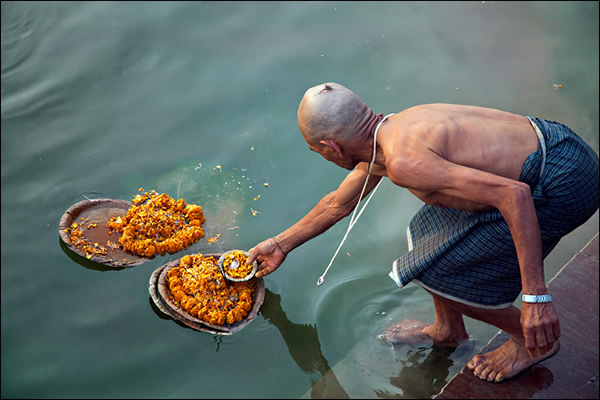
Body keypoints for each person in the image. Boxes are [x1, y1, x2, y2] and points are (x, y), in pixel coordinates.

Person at [247, 82, 599, 382]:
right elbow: (337, 204)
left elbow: (514, 195)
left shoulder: (404, 162)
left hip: (564, 183)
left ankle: (530, 339)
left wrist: (536, 298)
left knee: (433, 268)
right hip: (558, 143)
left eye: (317, 152)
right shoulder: (393, 130)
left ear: (331, 147)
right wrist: (280, 245)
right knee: (426, 232)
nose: (322, 157)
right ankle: (448, 329)